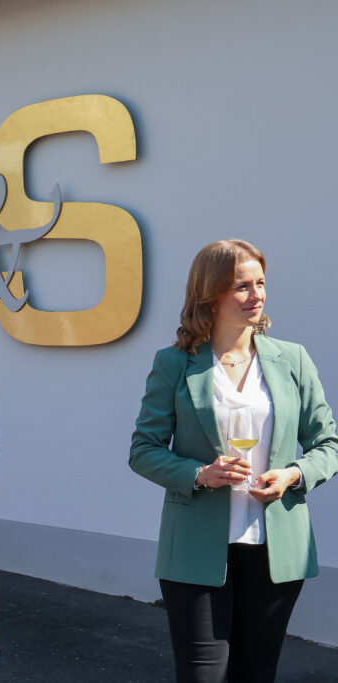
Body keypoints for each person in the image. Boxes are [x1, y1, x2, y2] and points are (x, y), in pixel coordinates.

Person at [130, 239, 338, 683]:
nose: (256, 294)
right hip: (195, 548)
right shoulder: (174, 363)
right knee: (203, 675)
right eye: (241, 286)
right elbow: (144, 449)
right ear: (210, 294)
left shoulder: (292, 359)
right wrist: (200, 474)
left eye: (260, 283)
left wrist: (293, 474)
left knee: (256, 674)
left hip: (276, 552)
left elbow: (328, 443)